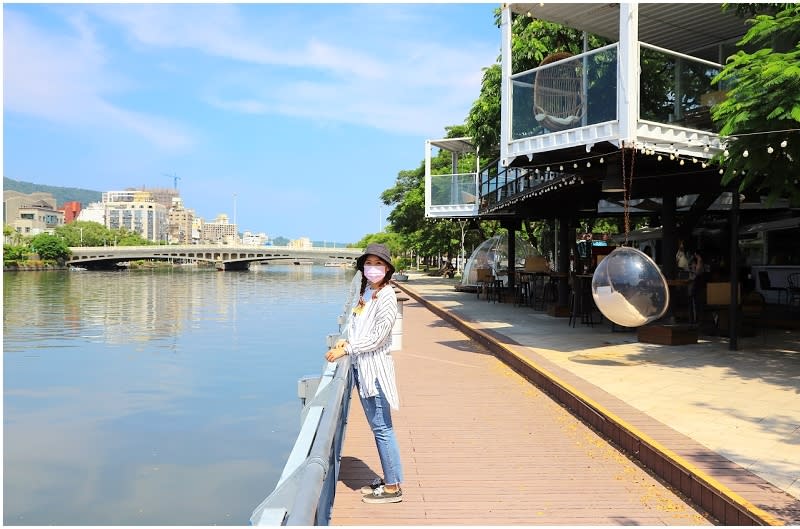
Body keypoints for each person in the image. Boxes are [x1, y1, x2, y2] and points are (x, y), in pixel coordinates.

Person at [324, 243, 404, 504]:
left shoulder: (388, 296)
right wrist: (345, 341)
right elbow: (358, 325)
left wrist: (347, 348)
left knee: (382, 428)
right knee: (378, 427)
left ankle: (392, 487)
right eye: (369, 264)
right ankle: (390, 479)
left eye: (378, 264)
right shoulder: (369, 291)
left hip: (375, 371)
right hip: (363, 368)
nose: (373, 268)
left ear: (388, 268)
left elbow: (378, 338)